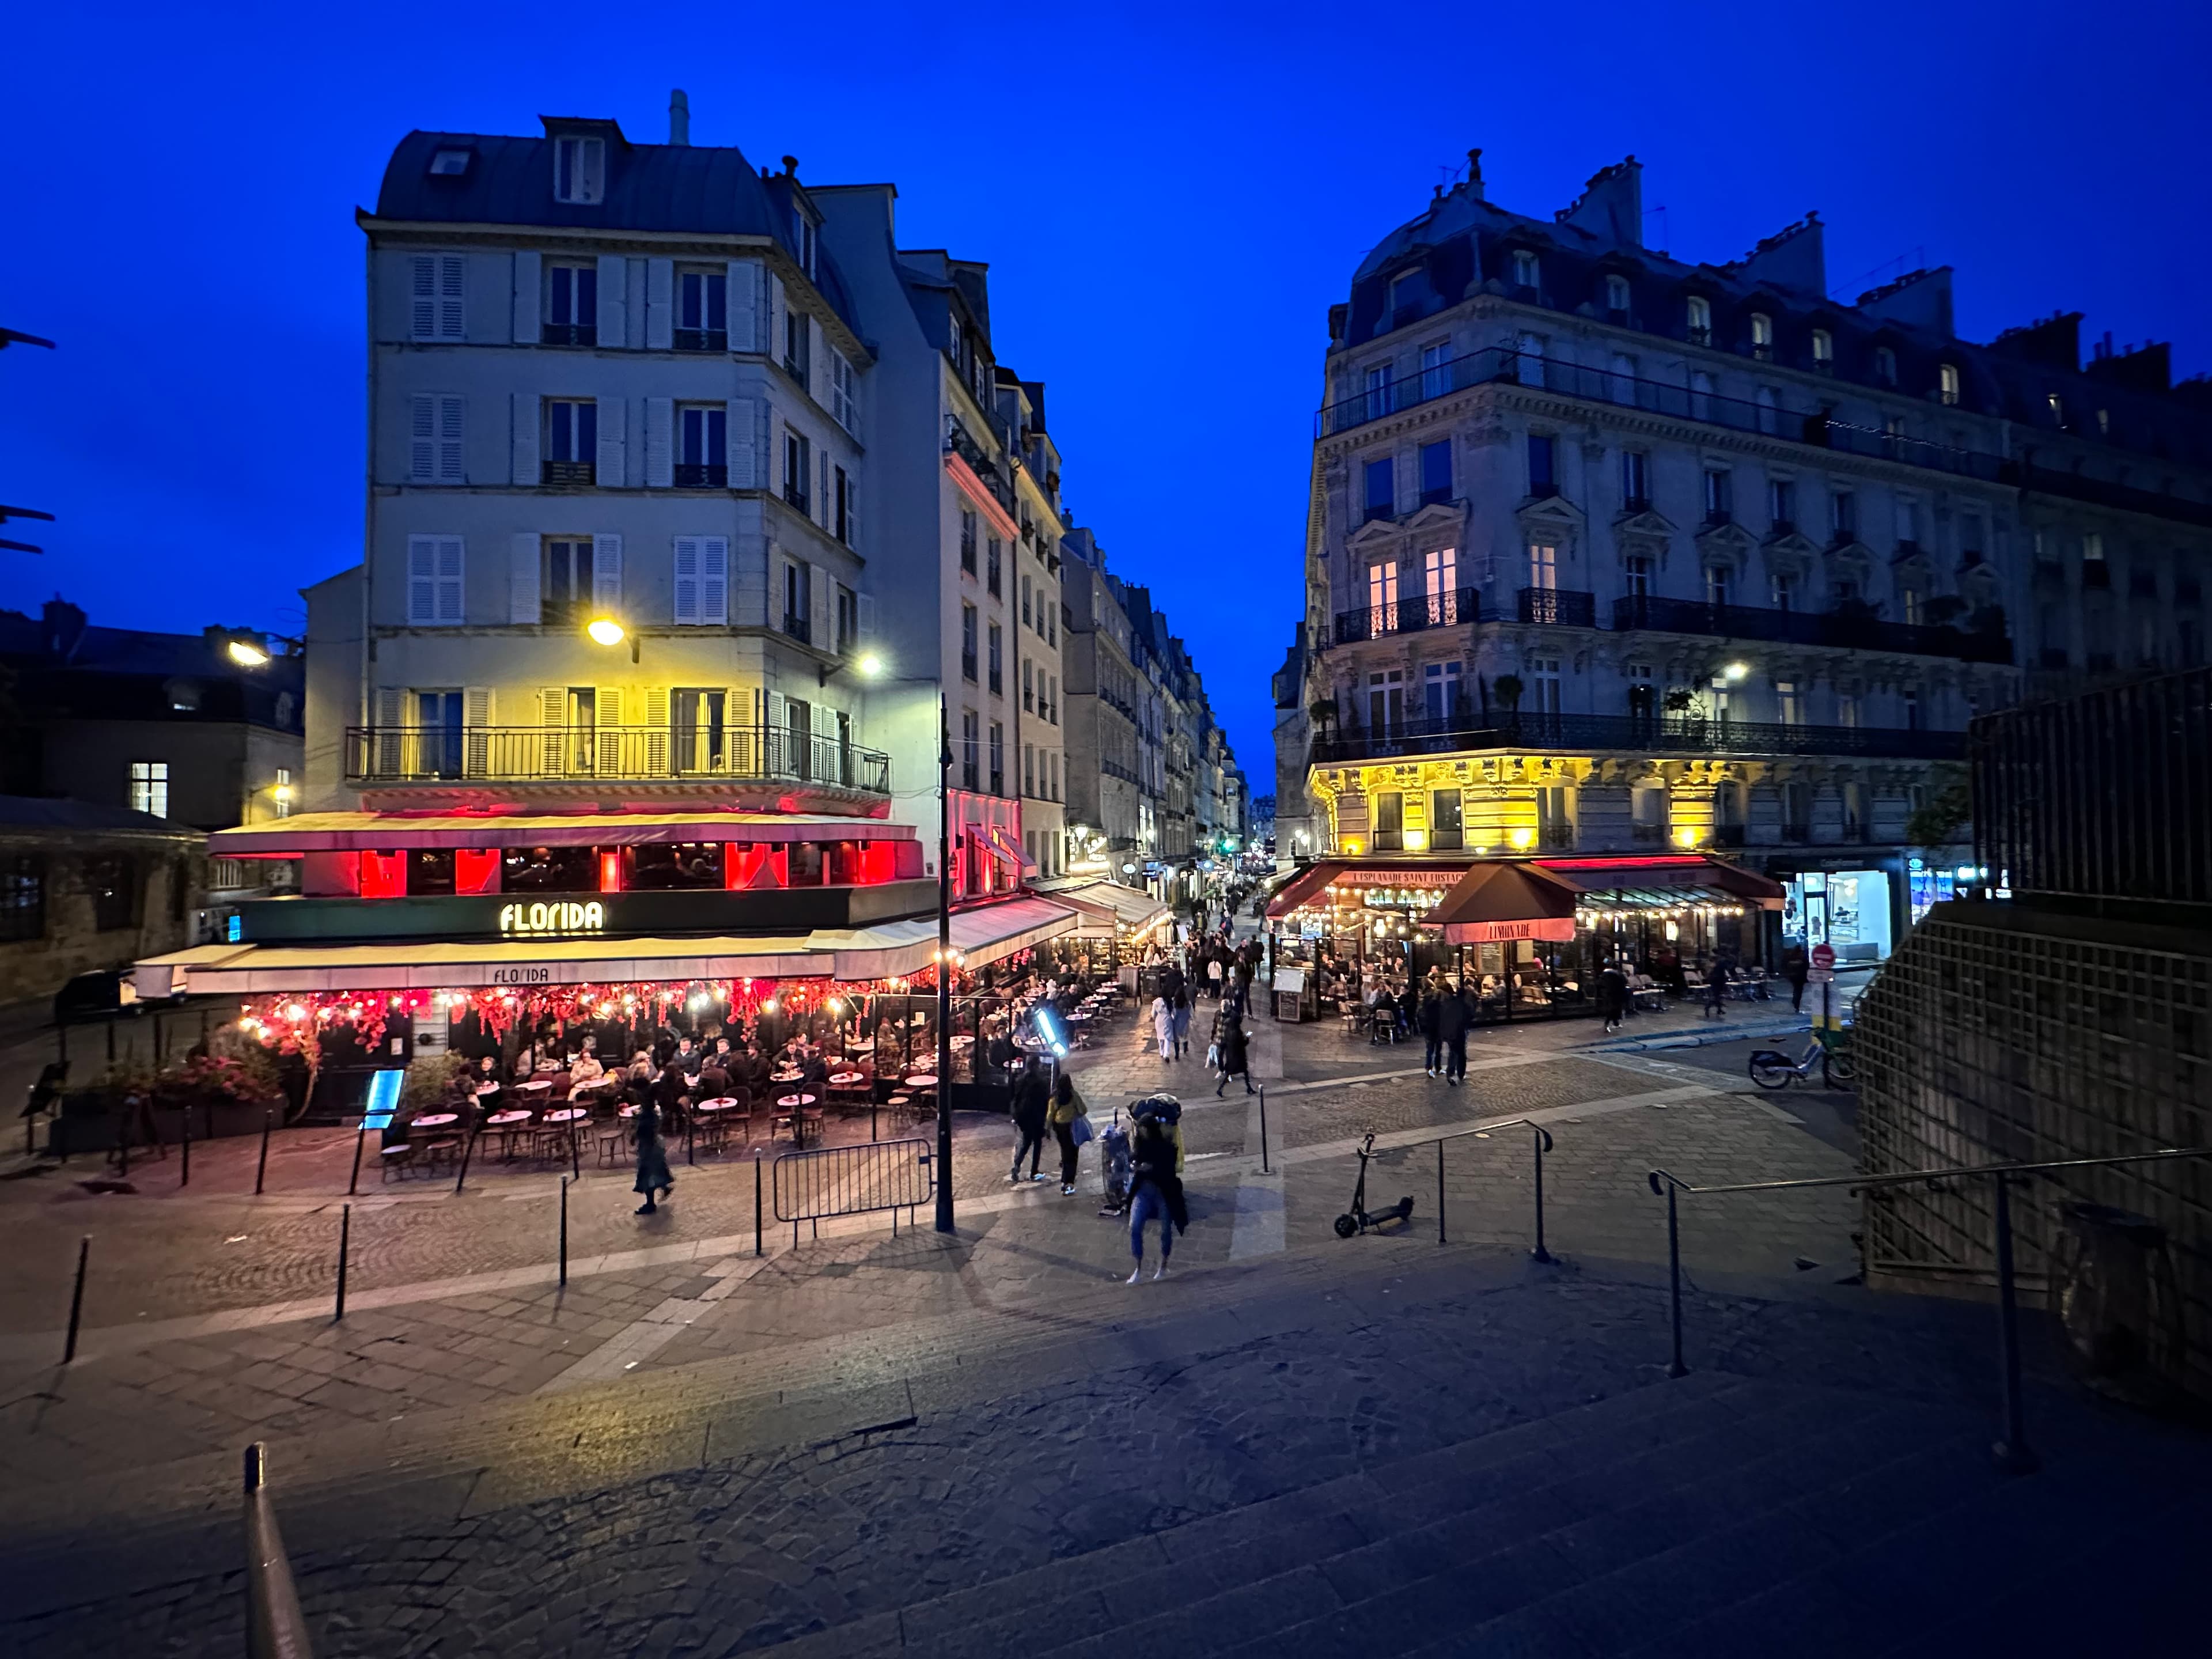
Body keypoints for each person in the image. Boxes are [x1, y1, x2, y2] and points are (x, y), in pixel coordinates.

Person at [1125, 1112, 1186, 1283]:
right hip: (1143, 1191)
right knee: (1135, 1226)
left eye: (1144, 1129)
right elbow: (1133, 1158)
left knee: (1166, 1229)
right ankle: (1138, 1267)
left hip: (1163, 1192)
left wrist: (1151, 1168)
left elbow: (1169, 1170)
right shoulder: (1140, 1145)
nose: (1141, 1132)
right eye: (1140, 1129)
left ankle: (1163, 1266)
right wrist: (1134, 1165)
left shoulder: (1166, 1147)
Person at [631, 1092, 674, 1215]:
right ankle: (664, 1188)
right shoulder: (652, 1113)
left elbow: (643, 1131)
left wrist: (635, 1134)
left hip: (649, 1148)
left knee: (647, 1175)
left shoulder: (647, 1116)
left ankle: (650, 1204)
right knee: (657, 1170)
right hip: (655, 1146)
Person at [1009, 1060, 1050, 1183]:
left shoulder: (1022, 1080)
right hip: (1036, 1117)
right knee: (1037, 1144)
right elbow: (1045, 1102)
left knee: (1026, 1143)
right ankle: (1034, 1171)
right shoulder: (1041, 1082)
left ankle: (1017, 1165)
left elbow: (1016, 1097)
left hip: (1024, 1116)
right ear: (1036, 1066)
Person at [1048, 1071, 1088, 1194]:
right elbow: (1083, 1110)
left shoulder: (1054, 1097)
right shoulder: (1073, 1095)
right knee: (1073, 1154)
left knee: (1065, 1152)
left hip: (1059, 1127)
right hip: (1072, 1127)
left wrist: (1047, 1129)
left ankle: (1064, 1181)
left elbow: (1050, 1115)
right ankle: (1069, 1181)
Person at [1437, 976, 1472, 1085]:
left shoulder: (1450, 1004)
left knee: (1454, 1052)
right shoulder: (1463, 1005)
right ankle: (1459, 1074)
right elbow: (1468, 1017)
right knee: (1460, 1053)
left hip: (1451, 1032)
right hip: (1458, 1032)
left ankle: (1451, 1073)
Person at [1213, 1007, 1253, 1097]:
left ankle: (1221, 1089)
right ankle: (1248, 1088)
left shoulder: (1227, 1030)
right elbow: (1243, 1043)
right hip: (1238, 1057)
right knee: (1244, 1071)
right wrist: (1248, 1036)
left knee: (1230, 1073)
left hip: (1230, 1056)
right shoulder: (1237, 1032)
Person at [1417, 982, 1444, 1077]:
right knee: (1438, 1050)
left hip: (1428, 1029)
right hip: (1437, 1029)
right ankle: (1438, 1068)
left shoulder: (1426, 1004)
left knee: (1430, 1050)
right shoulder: (1439, 1006)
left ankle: (1429, 1068)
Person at [1597, 960, 1628, 1036]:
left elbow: (1600, 983)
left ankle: (1615, 1023)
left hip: (1608, 993)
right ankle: (1607, 1024)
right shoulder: (1619, 975)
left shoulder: (1605, 974)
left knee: (1612, 1008)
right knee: (1615, 1009)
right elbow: (1625, 982)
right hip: (1617, 993)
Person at [1782, 945, 1809, 1014]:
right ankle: (1796, 1005)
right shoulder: (1802, 958)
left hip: (1793, 977)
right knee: (1799, 991)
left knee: (1796, 989)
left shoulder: (1791, 957)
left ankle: (1795, 1001)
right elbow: (1807, 967)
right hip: (1800, 977)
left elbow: (1785, 966)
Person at [1704, 955, 1730, 1020]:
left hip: (1718, 983)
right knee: (1716, 997)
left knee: (1717, 996)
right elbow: (1714, 975)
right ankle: (1708, 1008)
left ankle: (1718, 1009)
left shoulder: (1718, 967)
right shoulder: (1718, 967)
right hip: (1717, 983)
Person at [1151, 994, 1175, 1062]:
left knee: (1160, 1036)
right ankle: (1166, 1054)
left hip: (1159, 1020)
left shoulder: (1156, 1001)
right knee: (1167, 1037)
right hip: (1167, 1020)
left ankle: (1161, 1052)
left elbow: (1153, 1014)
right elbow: (1173, 1013)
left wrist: (1155, 1017)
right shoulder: (1170, 1001)